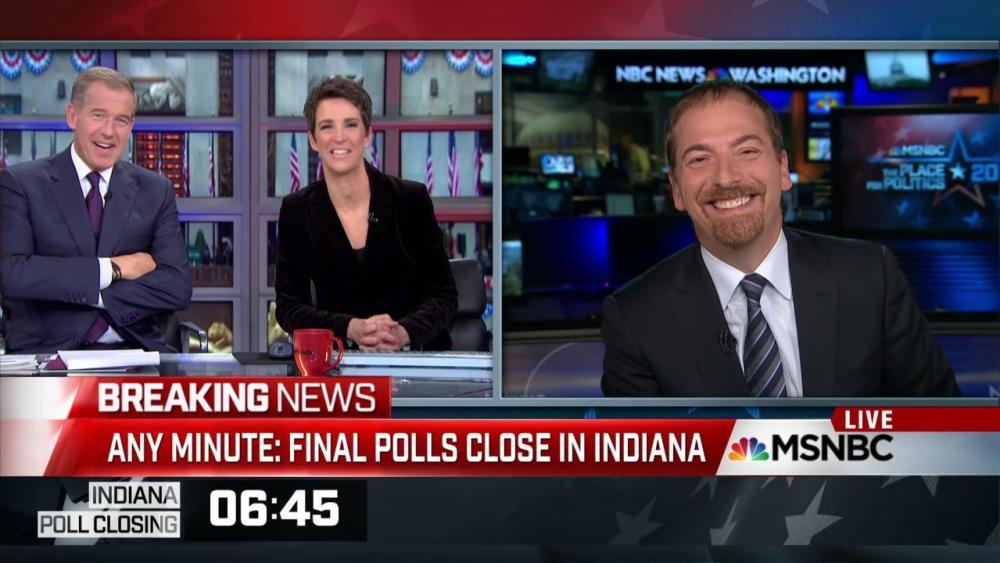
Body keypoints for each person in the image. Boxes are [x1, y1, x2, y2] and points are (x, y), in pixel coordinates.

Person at [601, 81, 959, 397]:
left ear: (783, 169)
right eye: (700, 159)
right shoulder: (635, 317)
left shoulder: (870, 277)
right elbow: (643, 454)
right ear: (677, 189)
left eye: (747, 151)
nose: (725, 177)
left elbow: (945, 430)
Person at [0, 67, 192, 353]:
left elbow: (176, 287)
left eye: (121, 120)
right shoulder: (21, 184)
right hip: (50, 354)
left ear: (131, 126)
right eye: (98, 115)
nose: (109, 132)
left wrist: (87, 291)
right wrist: (113, 268)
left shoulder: (155, 190)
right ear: (72, 116)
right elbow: (15, 276)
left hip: (136, 350)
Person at [275, 77, 457, 351]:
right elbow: (289, 307)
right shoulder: (297, 210)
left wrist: (402, 333)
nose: (339, 137)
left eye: (350, 124)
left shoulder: (411, 200)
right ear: (313, 139)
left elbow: (443, 295)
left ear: (367, 135)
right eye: (327, 126)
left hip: (416, 360)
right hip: (341, 362)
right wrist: (350, 328)